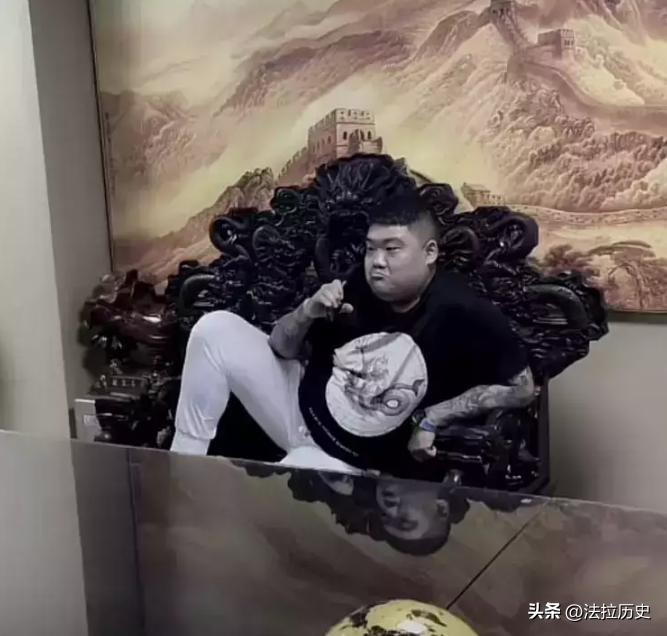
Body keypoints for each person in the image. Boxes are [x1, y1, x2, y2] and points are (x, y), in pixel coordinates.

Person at [170, 192, 535, 477]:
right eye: (371, 249)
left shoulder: (464, 311)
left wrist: (433, 418)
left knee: (287, 483)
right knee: (214, 329)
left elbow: (523, 389)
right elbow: (279, 347)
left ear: (429, 253)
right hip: (295, 406)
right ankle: (182, 472)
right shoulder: (361, 282)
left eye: (392, 249)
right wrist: (308, 310)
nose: (377, 261)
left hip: (347, 457)